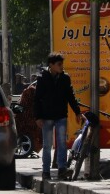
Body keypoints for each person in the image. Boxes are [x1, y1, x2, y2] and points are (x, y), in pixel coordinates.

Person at [34, 52, 82, 180]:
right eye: (59, 64)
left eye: (62, 64)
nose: (61, 66)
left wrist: (77, 112)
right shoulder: (42, 78)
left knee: (62, 143)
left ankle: (62, 169)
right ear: (51, 65)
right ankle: (46, 171)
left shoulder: (65, 78)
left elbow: (70, 96)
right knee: (47, 144)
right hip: (47, 116)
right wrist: (38, 117)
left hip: (61, 115)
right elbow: (37, 99)